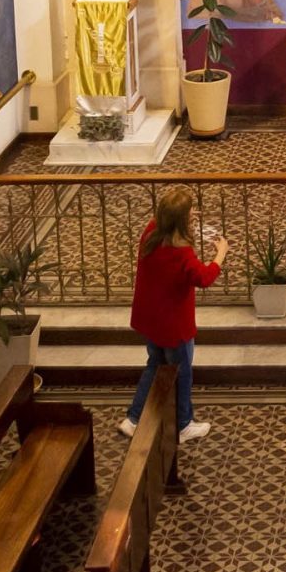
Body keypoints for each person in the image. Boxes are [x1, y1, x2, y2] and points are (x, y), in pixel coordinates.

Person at [124, 187, 224, 445]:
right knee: (182, 373)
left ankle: (133, 418)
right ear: (181, 222)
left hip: (152, 320)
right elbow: (204, 277)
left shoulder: (150, 235)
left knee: (154, 365)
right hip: (174, 326)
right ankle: (183, 424)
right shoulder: (181, 254)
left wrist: (183, 215)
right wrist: (220, 254)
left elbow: (163, 219)